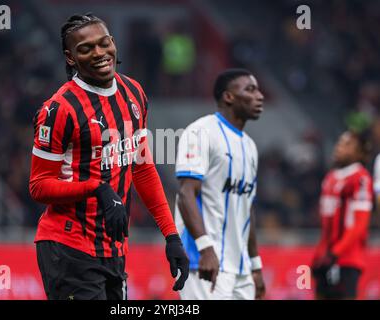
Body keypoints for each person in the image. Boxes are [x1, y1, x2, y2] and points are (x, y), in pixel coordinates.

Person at [28, 13, 188, 300]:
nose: (99, 53)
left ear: (114, 43)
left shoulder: (134, 93)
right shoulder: (59, 109)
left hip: (114, 249)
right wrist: (96, 188)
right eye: (86, 49)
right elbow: (39, 186)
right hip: (69, 248)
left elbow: (142, 168)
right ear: (70, 58)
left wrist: (171, 235)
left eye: (104, 43)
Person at [174, 68, 266, 300]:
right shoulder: (201, 132)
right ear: (228, 97)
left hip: (241, 269)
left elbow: (246, 210)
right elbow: (186, 194)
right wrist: (205, 249)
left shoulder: (250, 146)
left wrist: (255, 266)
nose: (260, 96)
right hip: (204, 262)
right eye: (250, 89)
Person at [311, 130, 373, 300]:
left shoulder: (360, 179)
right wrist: (319, 255)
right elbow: (325, 225)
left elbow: (360, 223)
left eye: (347, 145)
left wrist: (336, 252)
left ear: (360, 152)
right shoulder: (330, 178)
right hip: (324, 258)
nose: (339, 148)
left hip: (347, 260)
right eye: (339, 143)